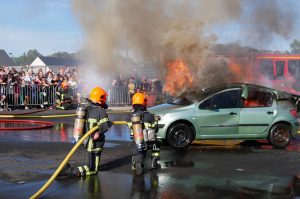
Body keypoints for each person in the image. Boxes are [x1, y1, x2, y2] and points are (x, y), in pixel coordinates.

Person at [58, 87, 112, 177]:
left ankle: (93, 166)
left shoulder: (87, 109)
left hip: (86, 140)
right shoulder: (101, 111)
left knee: (95, 163)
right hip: (95, 143)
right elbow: (105, 126)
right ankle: (71, 171)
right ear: (101, 98)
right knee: (92, 169)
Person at [128, 92, 161, 175]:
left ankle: (137, 164)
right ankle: (154, 163)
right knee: (156, 146)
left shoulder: (130, 116)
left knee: (136, 151)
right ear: (144, 103)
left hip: (136, 140)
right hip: (149, 141)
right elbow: (155, 128)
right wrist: (156, 121)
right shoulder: (149, 115)